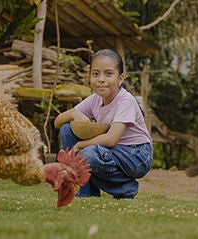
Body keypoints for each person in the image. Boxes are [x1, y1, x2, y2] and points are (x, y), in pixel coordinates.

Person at [54, 49, 153, 199]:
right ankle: (85, 192)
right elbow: (57, 122)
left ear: (120, 79)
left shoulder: (125, 100)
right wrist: (74, 114)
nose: (101, 79)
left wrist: (81, 145)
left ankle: (125, 187)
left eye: (108, 74)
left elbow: (111, 139)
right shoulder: (94, 99)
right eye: (95, 74)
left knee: (87, 154)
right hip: (114, 152)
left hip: (137, 155)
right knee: (67, 129)